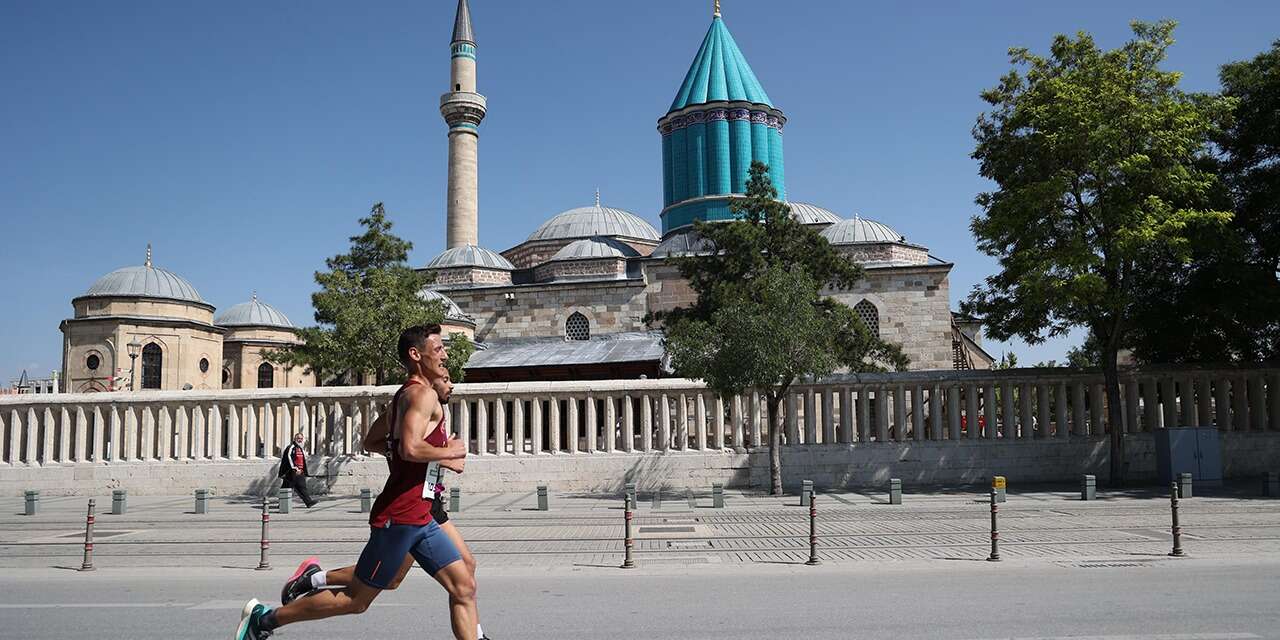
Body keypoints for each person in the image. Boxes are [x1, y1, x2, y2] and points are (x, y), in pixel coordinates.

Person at [235, 324, 476, 640]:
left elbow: (376, 442)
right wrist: (448, 451)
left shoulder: (403, 396)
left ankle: (310, 582)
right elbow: (410, 447)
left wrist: (421, 456)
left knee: (464, 585)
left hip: (423, 514)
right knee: (357, 599)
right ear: (416, 355)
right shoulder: (422, 394)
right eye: (438, 349)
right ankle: (265, 620)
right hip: (401, 516)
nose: (444, 354)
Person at [280, 372, 490, 639]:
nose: (451, 384)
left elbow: (385, 444)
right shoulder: (415, 403)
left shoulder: (424, 410)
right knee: (458, 570)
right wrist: (444, 455)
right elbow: (402, 447)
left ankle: (313, 578)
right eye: (446, 378)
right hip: (413, 507)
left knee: (392, 579)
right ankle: (287, 603)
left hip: (428, 501)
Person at [278, 432, 316, 508]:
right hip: (292, 472)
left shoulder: (300, 448)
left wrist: (302, 470)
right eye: (298, 438)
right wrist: (295, 468)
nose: (300, 440)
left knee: (301, 487)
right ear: (295, 439)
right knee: (288, 487)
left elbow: (302, 460)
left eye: (301, 438)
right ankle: (282, 504)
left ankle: (308, 502)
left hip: (300, 471)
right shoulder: (291, 447)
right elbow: (289, 458)